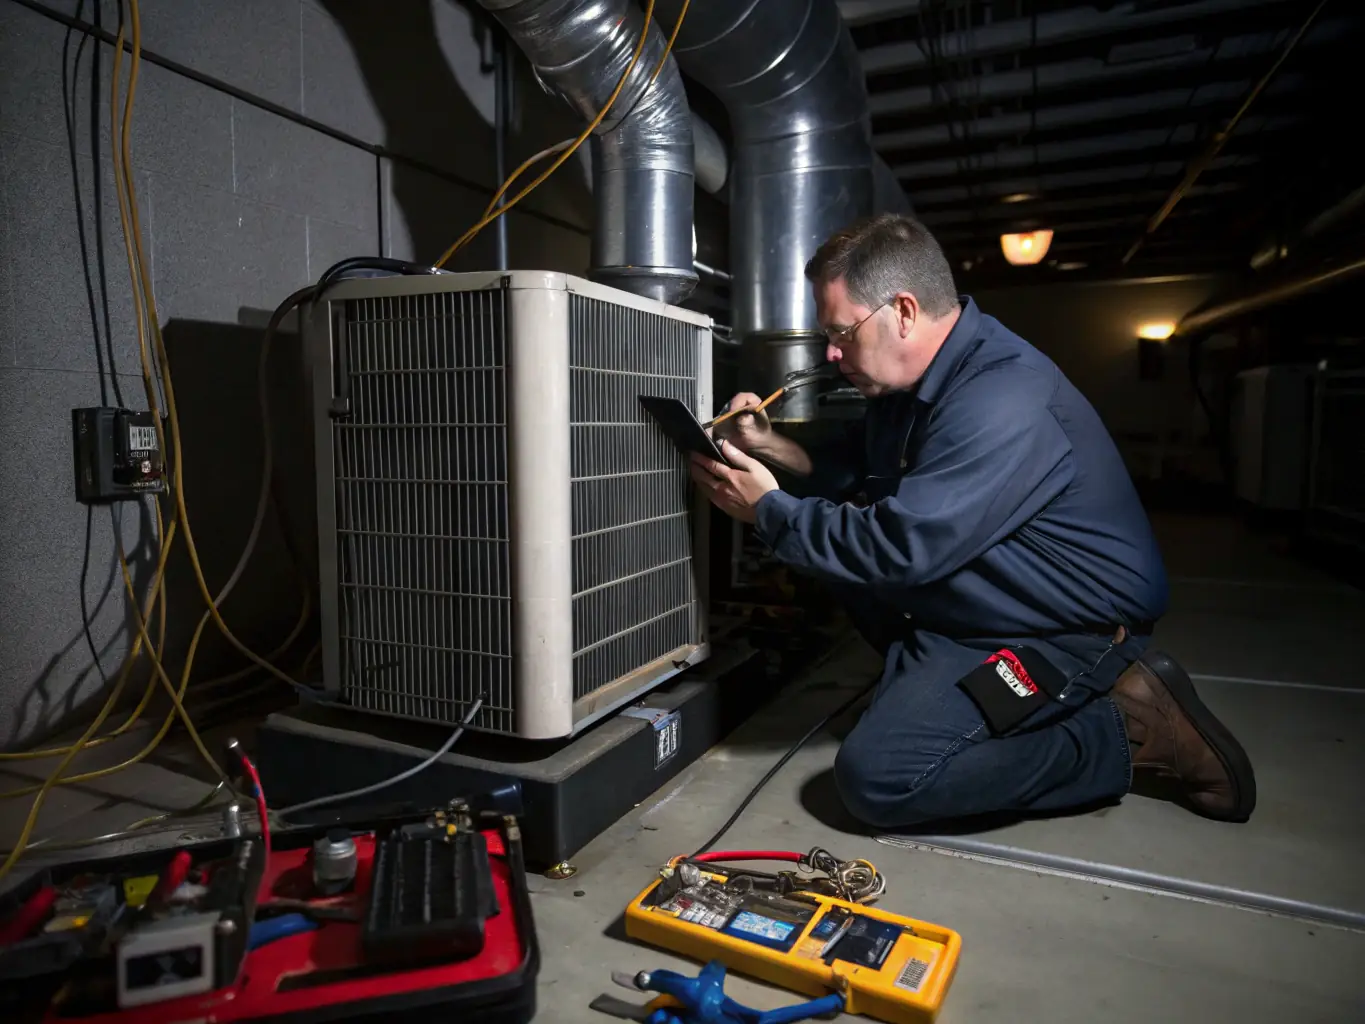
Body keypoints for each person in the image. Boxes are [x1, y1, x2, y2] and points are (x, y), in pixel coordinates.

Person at [689, 213, 1257, 828]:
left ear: (902, 311)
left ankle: (1130, 733)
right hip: (975, 608)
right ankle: (939, 696)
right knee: (843, 562)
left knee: (882, 777)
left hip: (1064, 629)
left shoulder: (1003, 397)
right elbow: (858, 468)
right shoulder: (909, 386)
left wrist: (768, 509)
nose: (831, 352)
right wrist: (770, 445)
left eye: (842, 332)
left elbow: (900, 548)